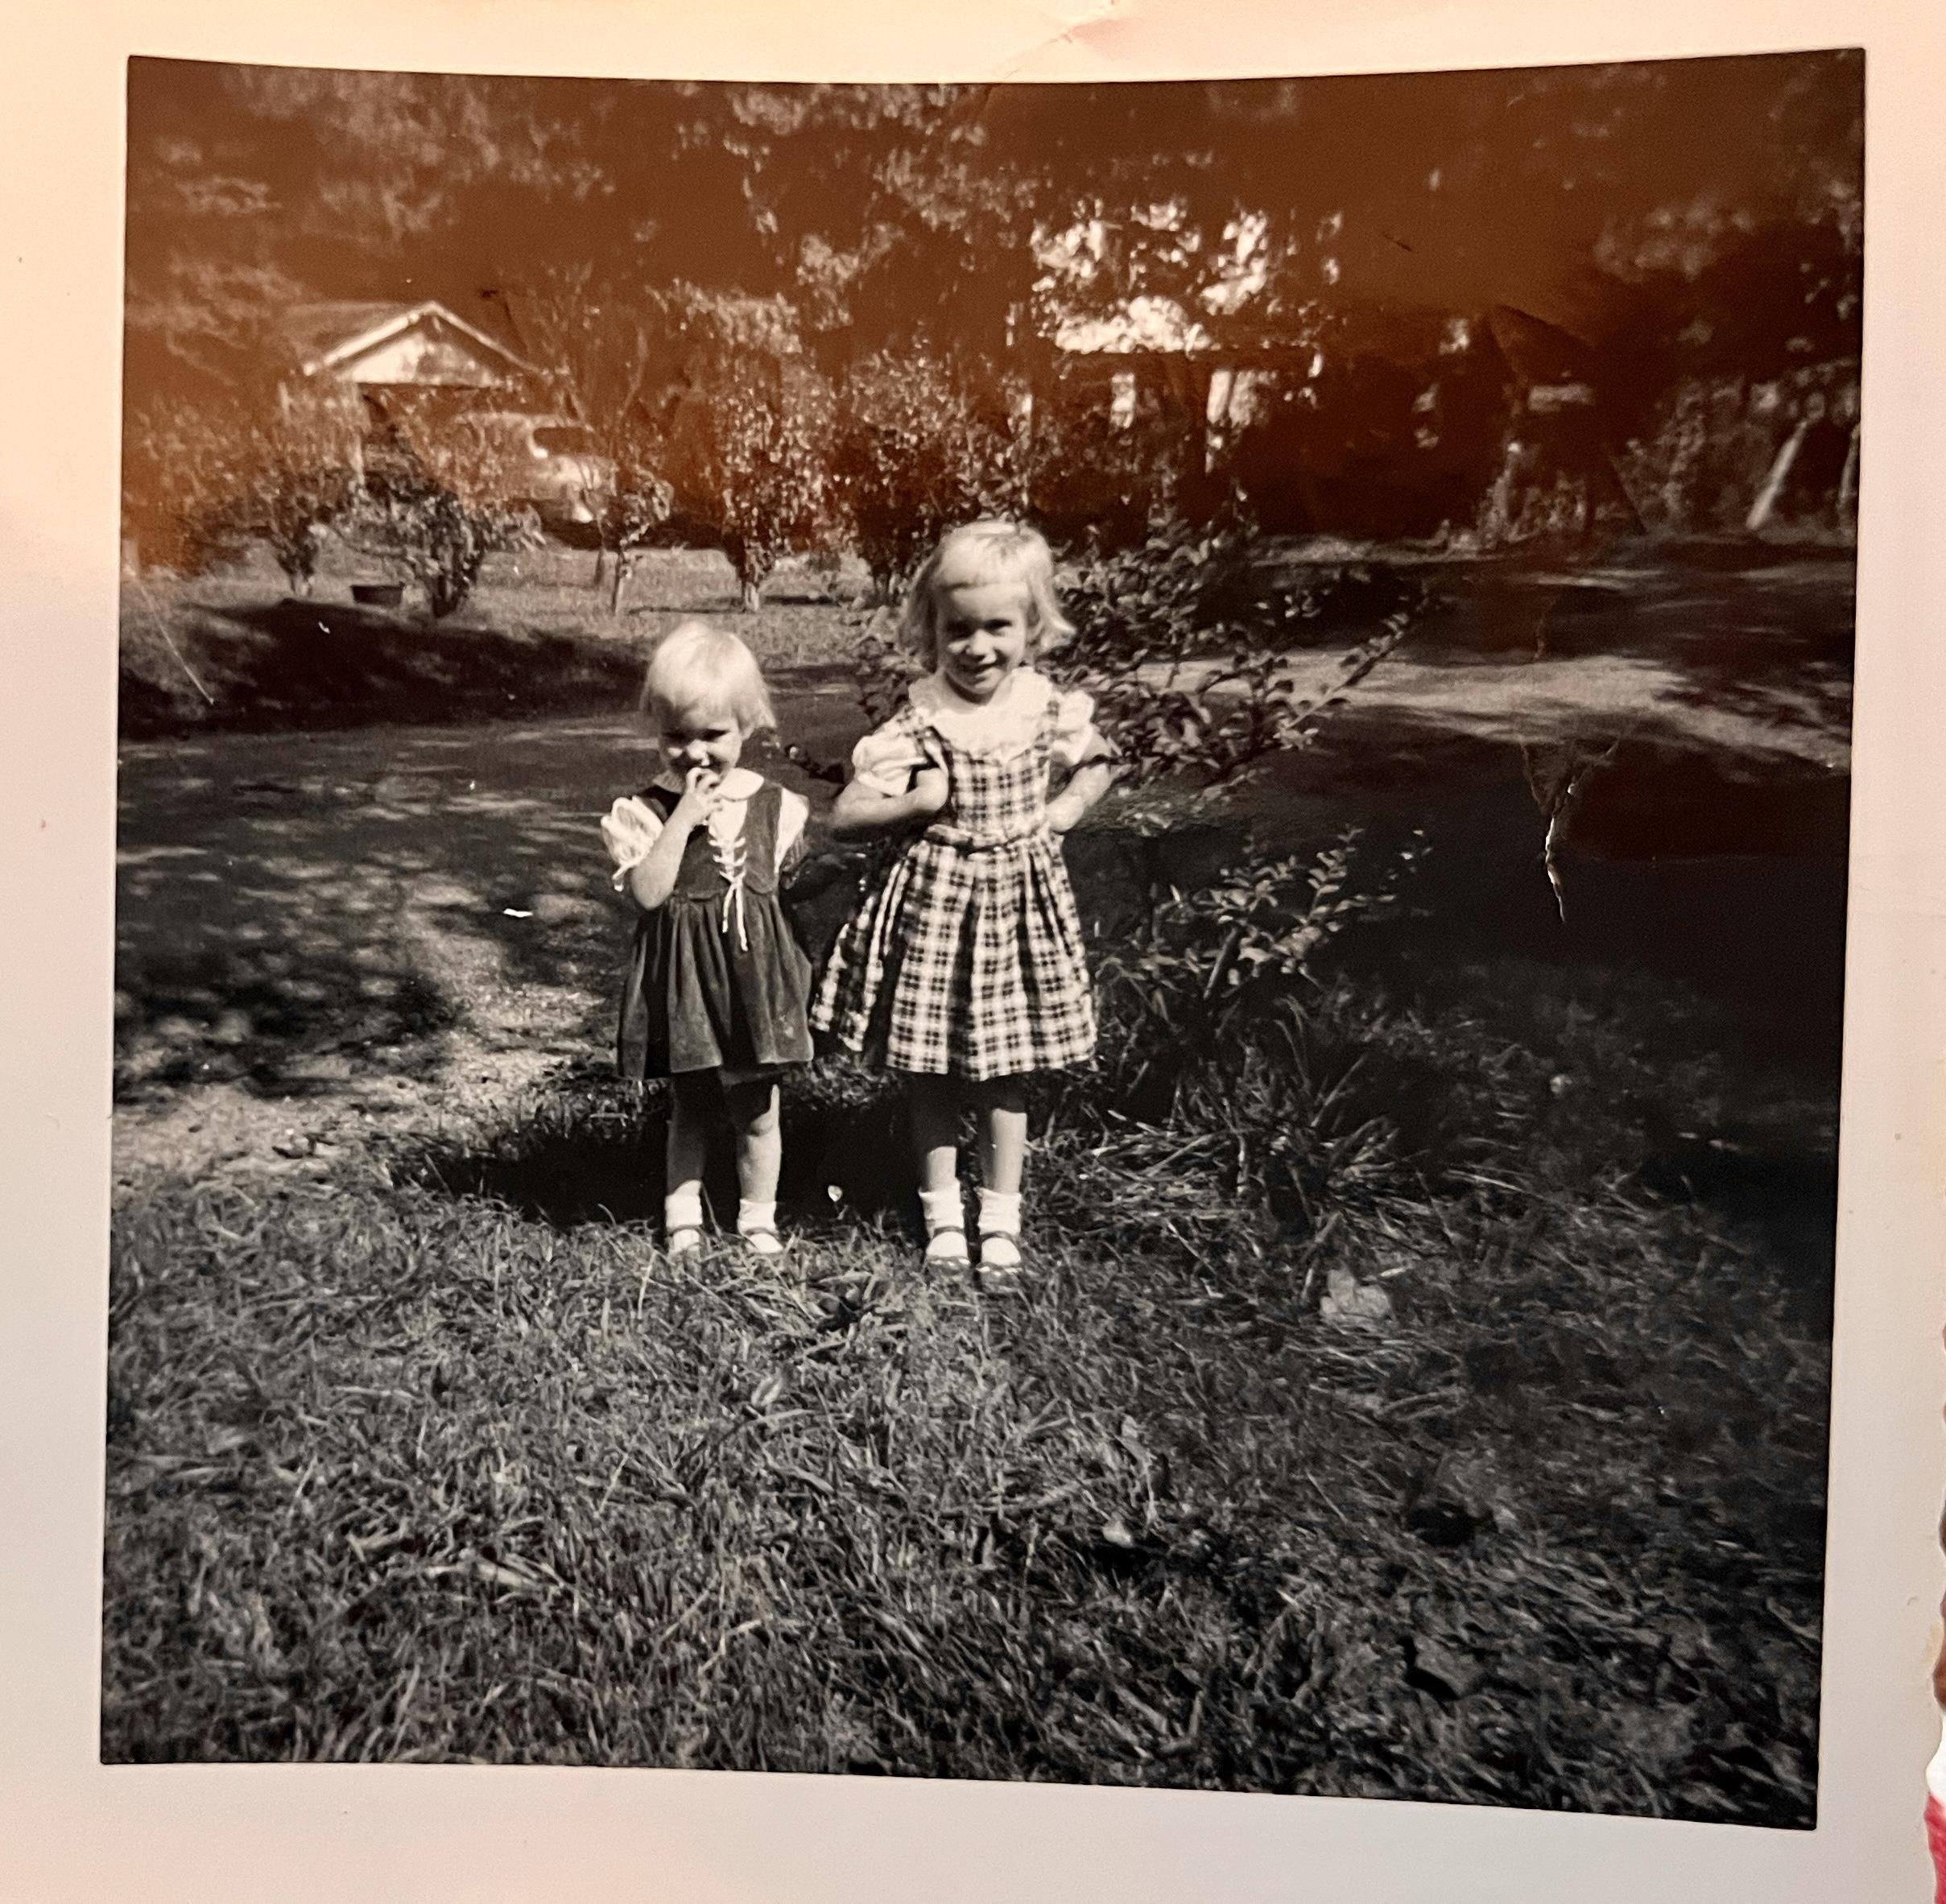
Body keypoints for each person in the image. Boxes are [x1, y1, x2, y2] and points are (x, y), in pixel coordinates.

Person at [811, 520, 1117, 1280]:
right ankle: (942, 1216)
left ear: (1032, 627)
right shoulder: (921, 718)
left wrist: (1067, 808)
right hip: (938, 913)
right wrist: (915, 803)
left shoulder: (1045, 707)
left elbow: (1100, 759)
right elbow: (844, 817)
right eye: (958, 629)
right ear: (933, 629)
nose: (976, 647)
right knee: (932, 1071)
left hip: (1017, 912)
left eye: (996, 627)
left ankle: (1001, 1220)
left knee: (1005, 1073)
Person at [601, 620, 813, 1258]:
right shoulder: (645, 810)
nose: (694, 753)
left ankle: (758, 1220)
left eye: (713, 734)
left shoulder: (775, 804)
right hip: (688, 982)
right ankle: (682, 1220)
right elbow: (647, 892)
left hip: (752, 982)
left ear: (747, 725)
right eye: (676, 735)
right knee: (690, 1106)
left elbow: (784, 888)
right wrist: (684, 819)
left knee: (758, 1109)